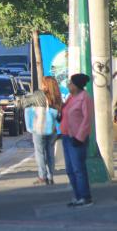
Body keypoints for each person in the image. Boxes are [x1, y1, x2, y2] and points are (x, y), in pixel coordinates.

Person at [60, 73, 93, 207]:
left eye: (71, 83)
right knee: (70, 169)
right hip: (66, 136)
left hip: (77, 138)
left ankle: (85, 197)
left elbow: (87, 119)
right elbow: (66, 113)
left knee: (78, 168)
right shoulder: (71, 97)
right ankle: (78, 195)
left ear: (77, 85)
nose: (69, 85)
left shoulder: (84, 98)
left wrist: (80, 137)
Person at [23, 76, 62, 185]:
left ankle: (42, 176)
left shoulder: (39, 95)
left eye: (43, 83)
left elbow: (25, 103)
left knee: (40, 153)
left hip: (39, 127)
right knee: (50, 153)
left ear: (46, 85)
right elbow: (60, 115)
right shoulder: (57, 97)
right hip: (52, 129)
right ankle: (50, 176)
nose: (42, 85)